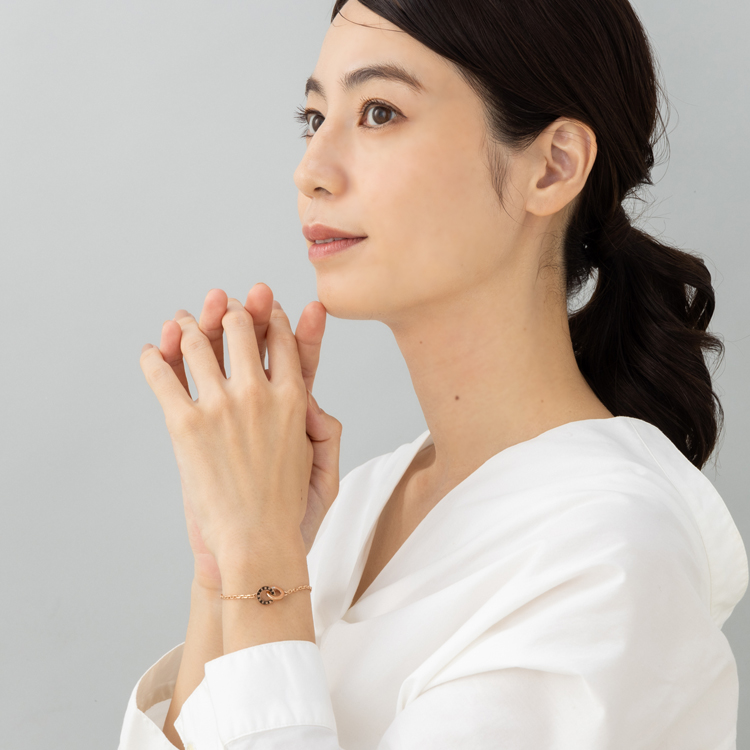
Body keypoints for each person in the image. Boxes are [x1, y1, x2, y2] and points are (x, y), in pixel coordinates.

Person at [118, 1, 748, 748]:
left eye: (380, 112)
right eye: (315, 118)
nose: (310, 171)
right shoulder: (351, 507)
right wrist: (226, 566)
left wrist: (262, 563)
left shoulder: (612, 559)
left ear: (552, 167)